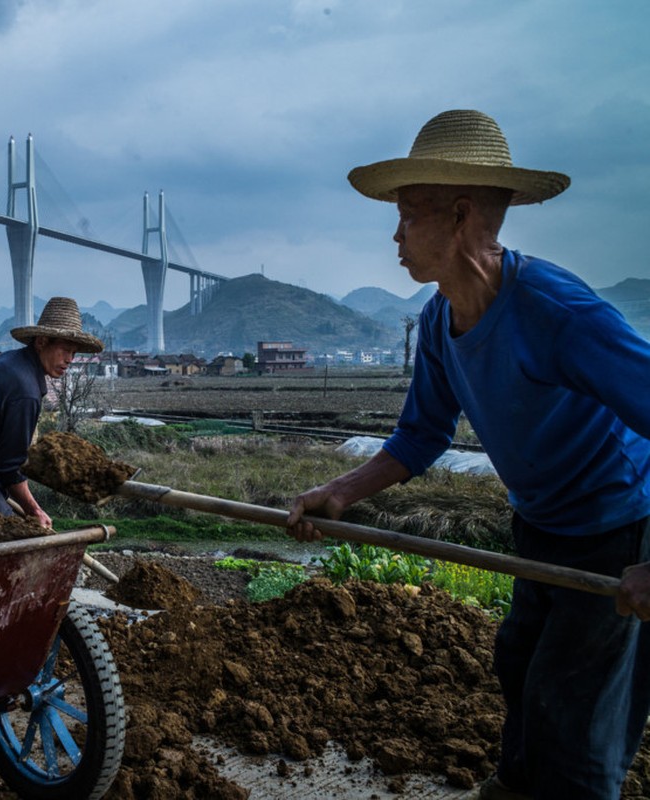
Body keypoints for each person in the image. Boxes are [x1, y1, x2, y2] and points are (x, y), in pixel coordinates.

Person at [285, 110, 650, 800]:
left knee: (573, 715)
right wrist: (342, 492)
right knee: (520, 668)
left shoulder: (558, 314)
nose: (395, 236)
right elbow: (422, 436)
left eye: (407, 215)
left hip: (616, 532)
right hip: (539, 528)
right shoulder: (438, 319)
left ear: (460, 216)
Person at [0, 296, 103, 529]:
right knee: (19, 546)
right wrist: (34, 510)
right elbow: (10, 468)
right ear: (42, 341)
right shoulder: (26, 390)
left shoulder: (8, 362)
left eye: (74, 353)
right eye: (65, 350)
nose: (69, 360)